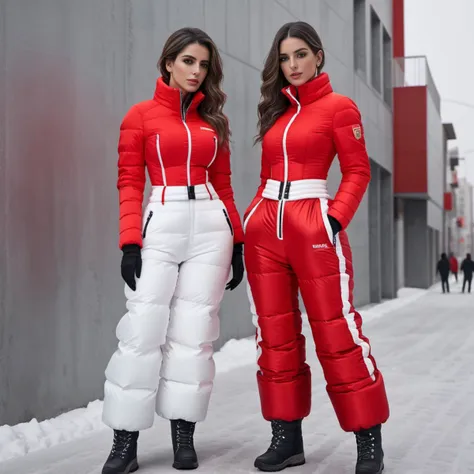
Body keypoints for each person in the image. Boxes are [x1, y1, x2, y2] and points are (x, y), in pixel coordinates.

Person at [243, 21, 389, 474]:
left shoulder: (339, 107)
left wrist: (333, 219)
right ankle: (287, 439)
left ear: (319, 55)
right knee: (275, 337)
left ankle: (369, 442)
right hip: (266, 229)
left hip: (314, 226)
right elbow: (266, 178)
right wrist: (245, 227)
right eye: (285, 58)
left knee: (337, 333)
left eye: (301, 55)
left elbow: (358, 171)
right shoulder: (277, 114)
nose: (293, 65)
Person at [101, 27, 244, 473]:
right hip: (160, 221)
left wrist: (237, 241)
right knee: (142, 331)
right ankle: (124, 444)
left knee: (194, 334)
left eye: (203, 65)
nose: (196, 72)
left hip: (209, 225)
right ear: (168, 63)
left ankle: (184, 434)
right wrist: (130, 242)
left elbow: (224, 184)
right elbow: (129, 182)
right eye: (188, 62)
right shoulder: (139, 117)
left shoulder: (214, 123)